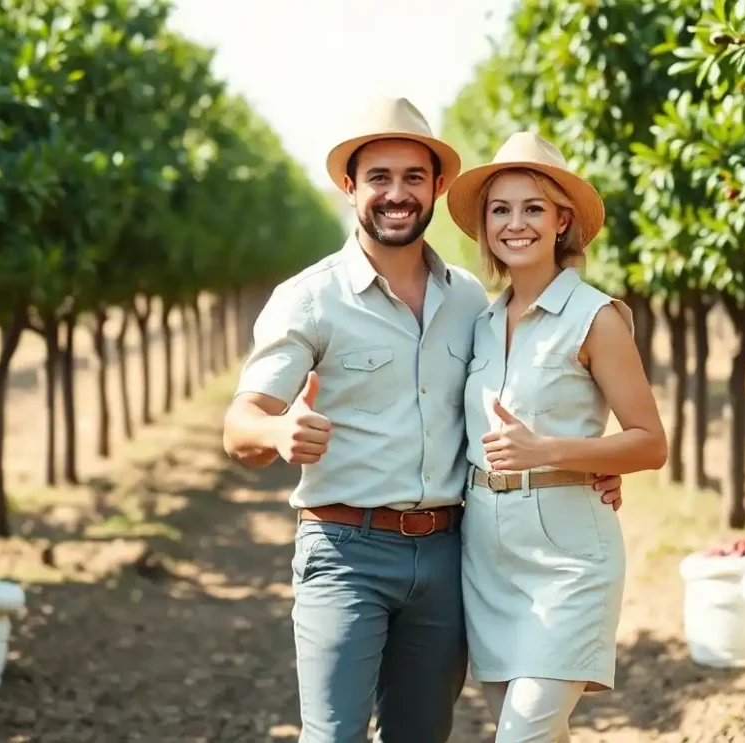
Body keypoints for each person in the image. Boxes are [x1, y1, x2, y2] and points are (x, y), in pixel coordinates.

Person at [222, 98, 625, 742]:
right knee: (334, 736)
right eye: (378, 177)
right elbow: (239, 426)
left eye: (413, 177)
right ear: (350, 187)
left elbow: (528, 396)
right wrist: (277, 432)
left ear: (437, 187)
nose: (396, 194)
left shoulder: (470, 299)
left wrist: (586, 463)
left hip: (447, 555)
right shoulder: (309, 298)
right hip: (345, 551)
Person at [444, 131, 668, 742]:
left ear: (561, 221)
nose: (515, 224)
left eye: (533, 208)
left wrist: (550, 451)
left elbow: (651, 442)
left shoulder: (595, 317)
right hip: (486, 555)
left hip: (569, 556)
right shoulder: (481, 322)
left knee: (523, 735)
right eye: (500, 210)